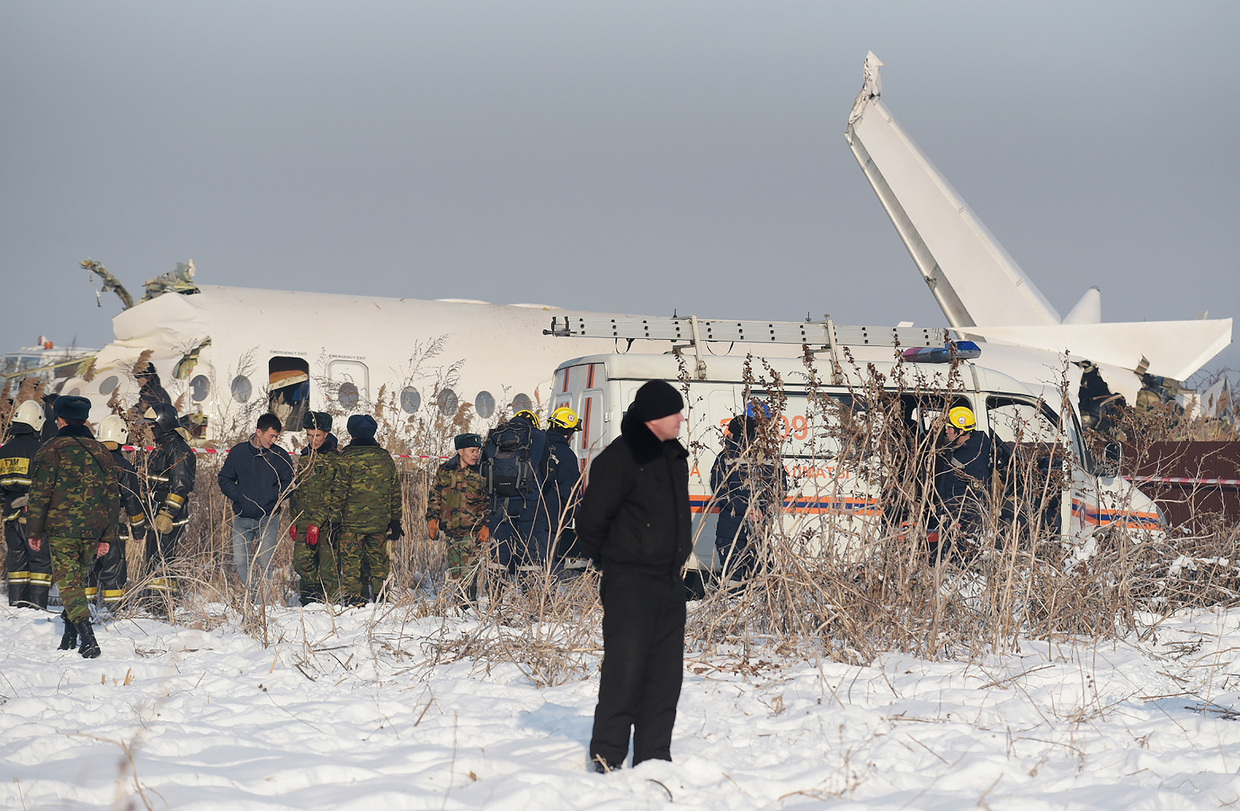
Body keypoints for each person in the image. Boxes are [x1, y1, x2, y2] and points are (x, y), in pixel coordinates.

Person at [576, 380, 692, 772]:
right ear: (653, 417)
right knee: (624, 672)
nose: (681, 418)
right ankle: (607, 757)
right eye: (674, 412)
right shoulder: (618, 459)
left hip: (669, 582)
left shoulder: (674, 456)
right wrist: (613, 563)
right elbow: (591, 522)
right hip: (629, 583)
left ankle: (654, 759)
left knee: (664, 677)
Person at [25, 396, 119, 659]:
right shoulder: (102, 452)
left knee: (68, 584)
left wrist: (34, 529)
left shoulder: (51, 449)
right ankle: (69, 635)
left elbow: (40, 492)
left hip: (62, 528)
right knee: (75, 581)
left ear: (61, 420)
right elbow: (113, 498)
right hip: (93, 530)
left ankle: (88, 637)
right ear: (85, 419)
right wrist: (108, 536)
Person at [218, 413, 294, 600]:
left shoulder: (280, 455)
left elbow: (290, 482)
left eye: (277, 437)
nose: (274, 440)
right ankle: (253, 594)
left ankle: (261, 603)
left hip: (269, 518)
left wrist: (275, 497)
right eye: (271, 436)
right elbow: (224, 478)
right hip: (243, 517)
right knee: (241, 561)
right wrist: (239, 496)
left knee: (265, 561)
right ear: (259, 432)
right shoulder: (239, 453)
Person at [329, 415, 402, 606]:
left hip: (351, 524)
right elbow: (395, 490)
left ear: (351, 433)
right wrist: (395, 520)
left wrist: (334, 521)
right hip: (379, 523)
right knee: (379, 563)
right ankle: (381, 600)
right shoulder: (385, 458)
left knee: (352, 564)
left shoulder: (345, 458)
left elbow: (339, 492)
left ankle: (355, 603)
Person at [710, 413, 787, 584]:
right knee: (762, 576)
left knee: (732, 577)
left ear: (733, 433)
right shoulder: (770, 457)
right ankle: (761, 609)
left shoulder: (725, 457)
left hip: (731, 528)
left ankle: (733, 606)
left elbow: (719, 491)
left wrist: (744, 509)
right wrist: (761, 509)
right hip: (760, 526)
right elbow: (781, 490)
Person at [140, 403, 196, 609]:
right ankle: (154, 601)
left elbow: (181, 486)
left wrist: (167, 514)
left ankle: (162, 605)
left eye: (153, 425)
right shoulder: (163, 447)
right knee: (155, 558)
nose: (150, 429)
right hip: (157, 513)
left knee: (163, 560)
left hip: (169, 516)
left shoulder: (178, 449)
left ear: (163, 423)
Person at [89, 414, 146, 611]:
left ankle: (86, 612)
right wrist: (139, 531)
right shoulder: (124, 466)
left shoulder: (87, 462)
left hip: (85, 529)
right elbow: (132, 500)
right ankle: (114, 614)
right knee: (114, 572)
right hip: (113, 529)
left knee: (88, 573)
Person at [425, 432, 490, 601]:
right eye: (472, 451)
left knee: (470, 575)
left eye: (477, 451)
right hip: (451, 532)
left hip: (472, 533)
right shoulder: (445, 470)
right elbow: (435, 496)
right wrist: (432, 520)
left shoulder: (483, 472)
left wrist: (487, 525)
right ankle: (460, 606)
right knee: (456, 575)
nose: (475, 455)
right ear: (460, 451)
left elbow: (491, 501)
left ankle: (469, 606)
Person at [482, 409, 547, 573]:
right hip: (529, 501)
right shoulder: (538, 436)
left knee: (499, 551)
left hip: (499, 501)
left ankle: (495, 594)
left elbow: (484, 467)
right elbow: (547, 470)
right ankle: (529, 594)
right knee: (529, 549)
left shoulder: (495, 435)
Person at [1, 399, 51, 609]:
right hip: (34, 517)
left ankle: (17, 607)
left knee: (16, 561)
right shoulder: (41, 451)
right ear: (37, 423)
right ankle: (37, 608)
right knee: (39, 563)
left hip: (10, 515)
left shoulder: (3, 451)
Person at [289, 411, 340, 604]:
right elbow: (298, 492)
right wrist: (293, 520)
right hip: (304, 520)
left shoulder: (335, 459)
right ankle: (311, 598)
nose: (313, 440)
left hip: (325, 523)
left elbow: (334, 493)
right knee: (301, 562)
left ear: (326, 434)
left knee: (328, 568)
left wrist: (317, 522)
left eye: (317, 436)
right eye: (309, 435)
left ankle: (332, 604)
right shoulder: (304, 458)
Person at [932, 405, 993, 563]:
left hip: (960, 523)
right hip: (949, 517)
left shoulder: (974, 457)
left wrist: (963, 521)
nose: (947, 431)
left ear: (962, 430)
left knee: (958, 563)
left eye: (950, 428)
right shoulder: (958, 449)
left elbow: (977, 495)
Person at [536, 406, 584, 571]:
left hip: (529, 519)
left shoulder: (535, 446)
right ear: (567, 433)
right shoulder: (566, 454)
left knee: (531, 570)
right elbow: (570, 493)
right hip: (552, 523)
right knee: (551, 570)